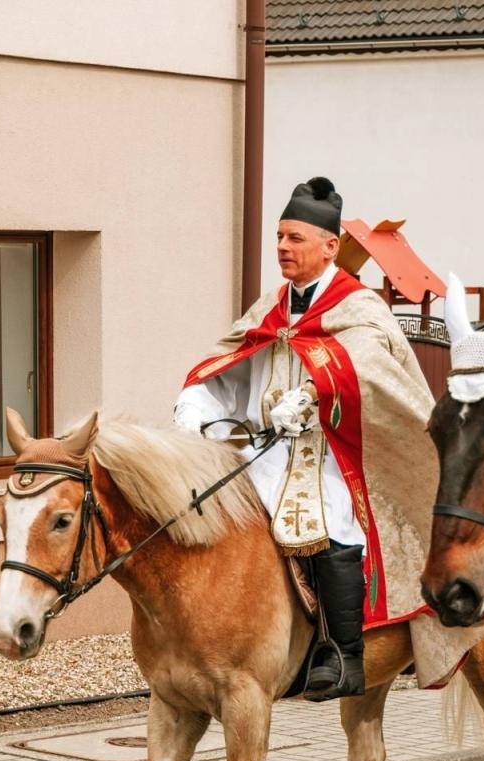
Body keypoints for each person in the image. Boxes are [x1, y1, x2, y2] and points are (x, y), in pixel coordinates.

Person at [172, 177, 437, 700]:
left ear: (330, 246)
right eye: (279, 237)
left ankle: (341, 654)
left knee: (323, 512)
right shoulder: (270, 308)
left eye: (294, 238)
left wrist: (317, 391)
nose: (282, 247)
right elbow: (230, 364)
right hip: (263, 446)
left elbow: (371, 367)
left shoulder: (359, 308)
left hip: (336, 450)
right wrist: (196, 404)